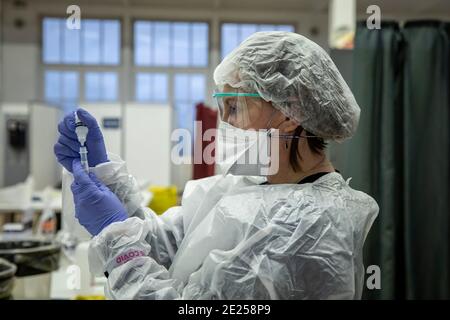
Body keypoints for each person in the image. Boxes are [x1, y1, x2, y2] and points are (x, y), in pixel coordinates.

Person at [54, 32, 378, 299]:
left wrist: (114, 234)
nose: (224, 123)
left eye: (234, 106)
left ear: (289, 113)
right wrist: (105, 178)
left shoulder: (308, 229)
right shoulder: (250, 186)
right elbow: (169, 245)